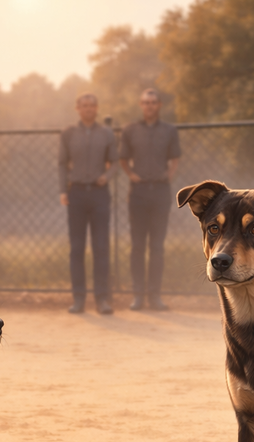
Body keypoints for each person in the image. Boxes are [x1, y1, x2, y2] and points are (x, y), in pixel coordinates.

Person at [120, 88, 181, 311]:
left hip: (161, 193)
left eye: (153, 102)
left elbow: (175, 157)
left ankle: (154, 296)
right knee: (137, 246)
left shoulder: (169, 130)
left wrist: (169, 174)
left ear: (159, 105)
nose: (149, 106)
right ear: (140, 104)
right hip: (138, 193)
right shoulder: (130, 130)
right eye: (146, 102)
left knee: (157, 247)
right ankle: (138, 295)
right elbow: (123, 158)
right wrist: (131, 175)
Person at [59, 93, 117, 314]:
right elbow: (62, 164)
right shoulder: (69, 134)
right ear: (77, 108)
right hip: (76, 194)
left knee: (101, 247)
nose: (88, 109)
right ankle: (79, 298)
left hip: (99, 194)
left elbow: (114, 163)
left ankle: (102, 299)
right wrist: (63, 190)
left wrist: (107, 176)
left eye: (92, 105)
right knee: (77, 248)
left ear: (97, 108)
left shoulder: (106, 133)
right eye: (84, 106)